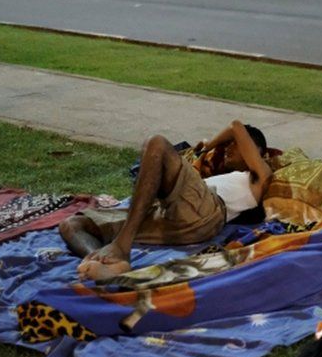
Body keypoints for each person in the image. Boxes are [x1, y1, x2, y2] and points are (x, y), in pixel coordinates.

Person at [59, 120, 272, 281]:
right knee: (72, 225)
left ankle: (122, 245)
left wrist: (207, 146)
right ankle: (104, 263)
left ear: (257, 152)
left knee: (157, 142)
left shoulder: (259, 175)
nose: (227, 148)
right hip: (174, 218)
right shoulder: (216, 176)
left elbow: (235, 126)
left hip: (206, 212)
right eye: (228, 145)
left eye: (235, 145)